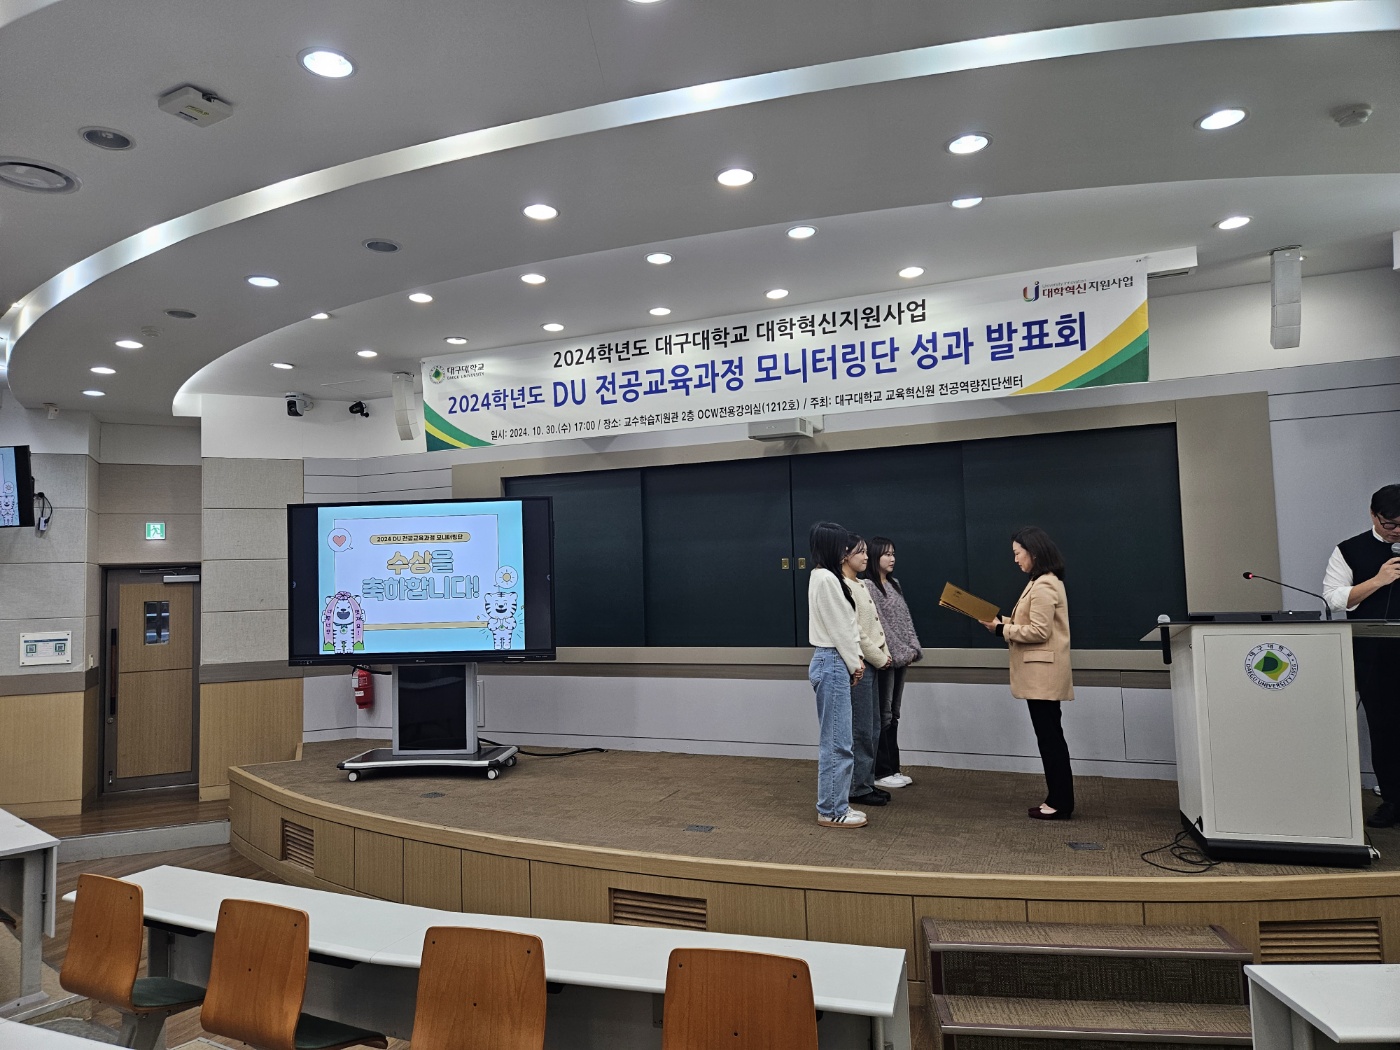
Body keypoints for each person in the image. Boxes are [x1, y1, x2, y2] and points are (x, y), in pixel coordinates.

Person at [980, 526, 1075, 820]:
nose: (1015, 559)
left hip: (1042, 675)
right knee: (1049, 737)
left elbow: (1039, 631)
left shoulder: (1045, 585)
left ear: (1033, 552)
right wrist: (1001, 621)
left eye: (1017, 553)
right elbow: (1030, 622)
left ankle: (1060, 802)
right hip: (1041, 675)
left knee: (1050, 739)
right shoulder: (1041, 581)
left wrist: (1001, 630)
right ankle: (1057, 798)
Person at [1323, 484, 1400, 829]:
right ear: (1373, 515)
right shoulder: (1349, 550)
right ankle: (1393, 800)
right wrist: (1379, 580)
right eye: (1389, 524)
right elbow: (1334, 599)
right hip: (1375, 655)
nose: (1396, 531)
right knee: (1384, 728)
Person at [807, 522, 868, 828]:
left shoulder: (826, 577)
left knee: (838, 740)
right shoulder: (826, 579)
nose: (846, 550)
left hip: (833, 660)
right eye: (843, 545)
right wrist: (855, 662)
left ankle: (835, 804)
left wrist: (854, 660)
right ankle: (832, 809)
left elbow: (845, 627)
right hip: (832, 659)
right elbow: (840, 629)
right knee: (837, 742)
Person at [861, 536, 922, 790]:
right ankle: (881, 770)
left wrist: (912, 648)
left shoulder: (895, 584)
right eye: (886, 554)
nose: (892, 558)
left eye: (893, 553)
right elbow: (880, 625)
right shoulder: (867, 586)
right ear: (875, 556)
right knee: (883, 714)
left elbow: (905, 621)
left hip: (902, 657)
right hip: (884, 658)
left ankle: (894, 768)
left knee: (894, 713)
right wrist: (897, 652)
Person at [842, 534, 892, 808]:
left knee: (873, 727)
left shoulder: (861, 583)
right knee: (861, 729)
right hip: (860, 664)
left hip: (872, 662)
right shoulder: (842, 586)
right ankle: (857, 787)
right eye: (859, 552)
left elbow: (874, 626)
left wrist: (884, 653)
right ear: (844, 556)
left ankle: (866, 781)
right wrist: (879, 657)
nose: (866, 557)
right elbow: (857, 632)